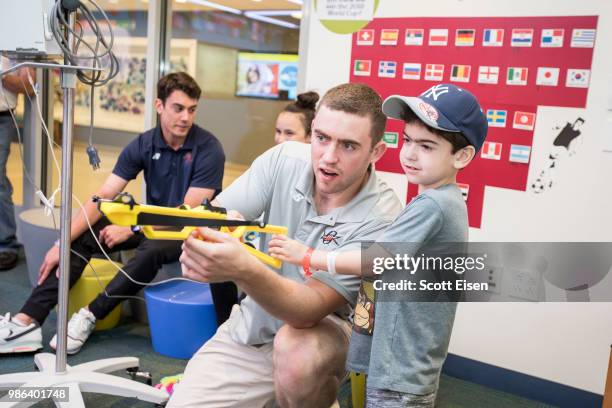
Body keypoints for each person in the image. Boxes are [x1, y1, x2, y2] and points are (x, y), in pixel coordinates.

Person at [169, 83, 403, 408]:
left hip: (323, 331)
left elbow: (308, 310)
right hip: (254, 326)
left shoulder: (383, 216)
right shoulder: (284, 159)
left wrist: (244, 270)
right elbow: (218, 216)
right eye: (321, 138)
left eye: (348, 145)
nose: (329, 157)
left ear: (376, 152)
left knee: (296, 353)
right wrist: (209, 237)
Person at [269, 83, 488, 407]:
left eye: (426, 146)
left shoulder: (433, 206)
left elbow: (376, 260)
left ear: (462, 155)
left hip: (401, 370)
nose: (410, 154)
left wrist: (311, 255)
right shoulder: (439, 201)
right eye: (408, 140)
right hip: (399, 363)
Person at [0, 72, 229, 355]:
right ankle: (28, 320)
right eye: (178, 108)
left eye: (191, 110)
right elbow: (103, 196)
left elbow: (184, 214)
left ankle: (90, 315)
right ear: (159, 106)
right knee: (87, 234)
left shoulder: (209, 149)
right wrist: (62, 243)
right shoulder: (144, 144)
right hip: (151, 221)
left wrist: (133, 230)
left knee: (152, 247)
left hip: (189, 230)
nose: (185, 117)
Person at [0, 57, 35, 271]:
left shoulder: (14, 39)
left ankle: (6, 245)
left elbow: (28, 85)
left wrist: (5, 78)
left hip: (2, 117)